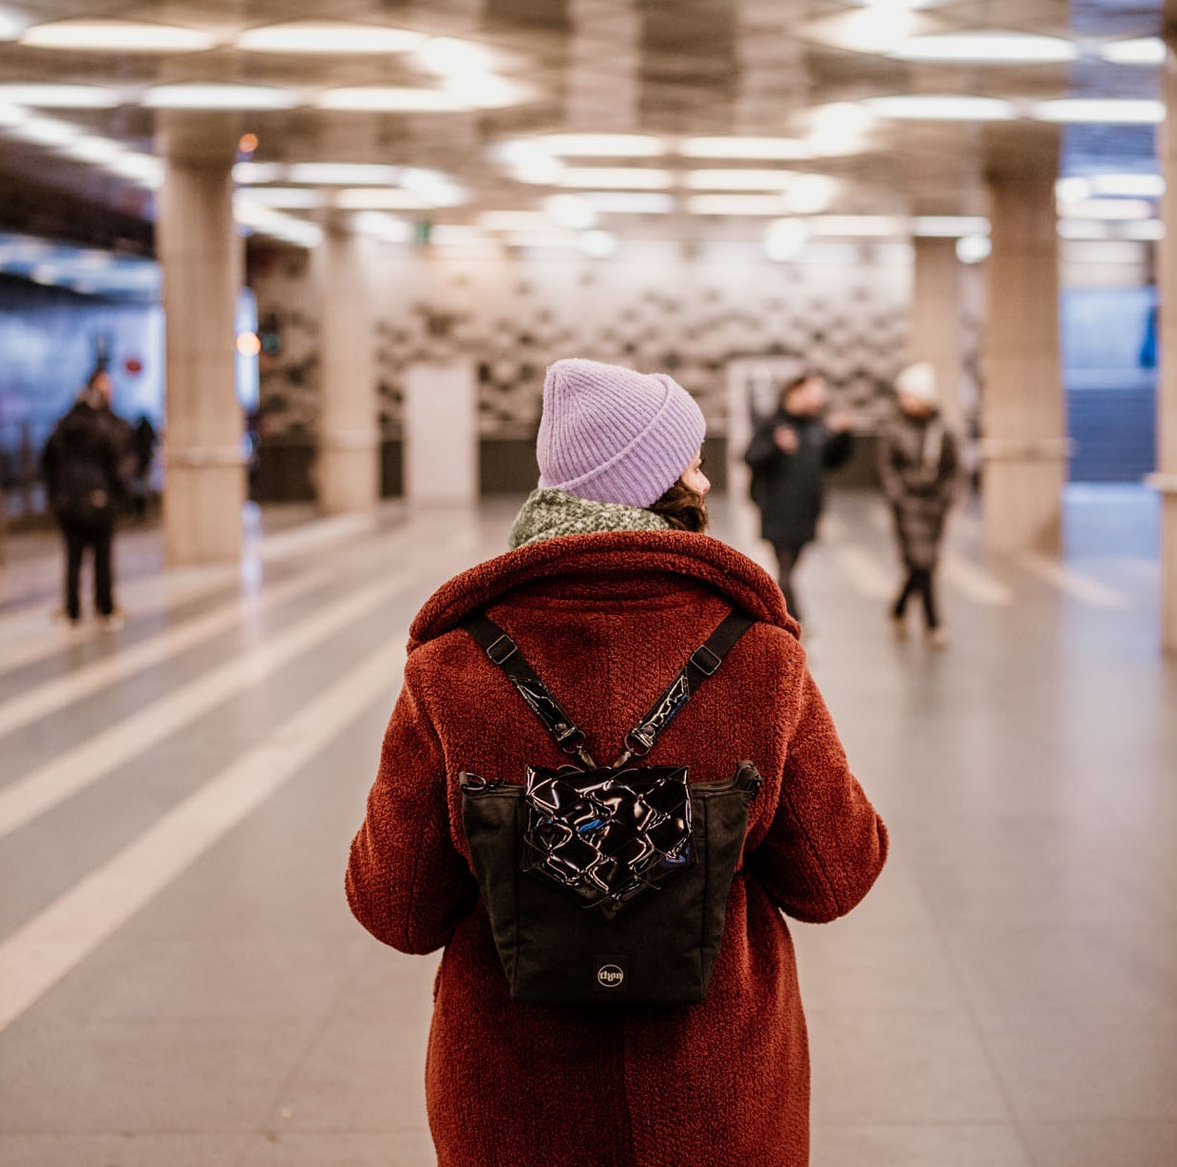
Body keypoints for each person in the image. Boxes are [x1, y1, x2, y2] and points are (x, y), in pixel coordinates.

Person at [347, 357, 887, 1167]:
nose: (705, 479)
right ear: (657, 484)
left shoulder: (453, 664)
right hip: (716, 1103)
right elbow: (837, 874)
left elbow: (395, 906)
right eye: (692, 460)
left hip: (516, 1107)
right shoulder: (759, 655)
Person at [743, 371, 854, 622]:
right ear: (795, 392)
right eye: (814, 393)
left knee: (790, 568)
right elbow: (751, 457)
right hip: (778, 510)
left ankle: (783, 616)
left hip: (807, 511)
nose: (819, 399)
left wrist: (843, 435)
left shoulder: (816, 426)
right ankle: (794, 620)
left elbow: (833, 460)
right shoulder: (773, 424)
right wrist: (775, 446)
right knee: (785, 569)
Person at [878, 362, 960, 647]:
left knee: (923, 564)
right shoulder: (895, 430)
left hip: (934, 506)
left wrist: (945, 499)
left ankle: (899, 607)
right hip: (908, 507)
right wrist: (899, 498)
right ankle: (933, 623)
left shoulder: (943, 431)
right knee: (921, 563)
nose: (906, 402)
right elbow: (888, 469)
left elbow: (953, 470)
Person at [41, 371, 126, 627]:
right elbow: (114, 464)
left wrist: (56, 495)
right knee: (102, 558)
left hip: (70, 503)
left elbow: (47, 463)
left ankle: (73, 610)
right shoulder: (102, 428)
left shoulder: (63, 427)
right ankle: (105, 607)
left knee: (73, 559)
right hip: (99, 500)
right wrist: (117, 496)